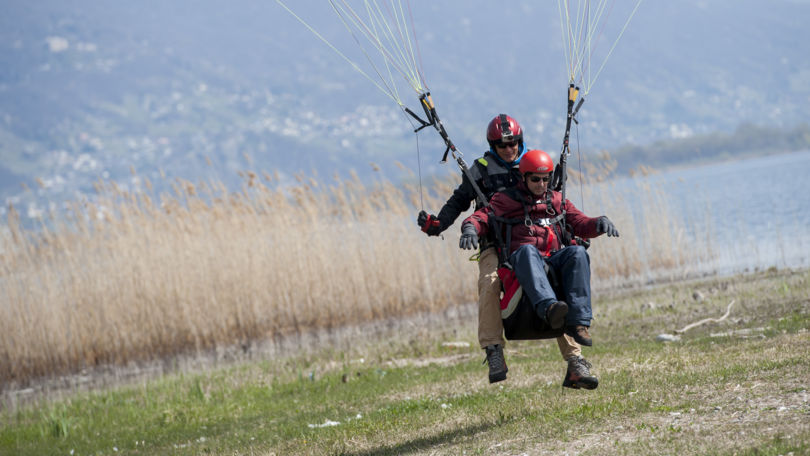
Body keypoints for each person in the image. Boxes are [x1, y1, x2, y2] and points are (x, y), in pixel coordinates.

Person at [417, 114, 588, 387]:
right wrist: (438, 225)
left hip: (536, 240)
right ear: (492, 146)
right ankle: (494, 350)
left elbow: (554, 203)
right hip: (495, 243)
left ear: (520, 141)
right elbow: (459, 201)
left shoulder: (534, 163)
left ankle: (576, 362)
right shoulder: (480, 170)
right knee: (489, 282)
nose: (509, 150)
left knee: (555, 284)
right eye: (502, 145)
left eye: (513, 144)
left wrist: (573, 234)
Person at [459, 148, 619, 389]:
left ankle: (579, 322)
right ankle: (547, 309)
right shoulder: (505, 200)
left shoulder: (556, 200)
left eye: (545, 179)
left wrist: (599, 223)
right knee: (526, 250)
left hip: (551, 263)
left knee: (577, 252)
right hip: (523, 267)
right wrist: (470, 228)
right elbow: (482, 216)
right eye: (535, 179)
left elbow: (580, 222)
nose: (541, 184)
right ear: (523, 177)